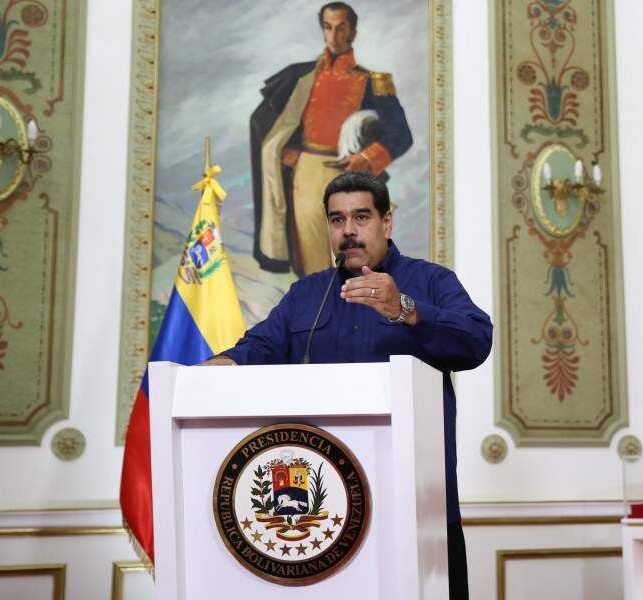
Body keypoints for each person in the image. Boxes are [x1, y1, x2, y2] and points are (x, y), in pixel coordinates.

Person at [206, 172, 492, 599]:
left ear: (387, 222)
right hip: (324, 516)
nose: (349, 231)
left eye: (361, 217)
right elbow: (258, 347)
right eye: (337, 220)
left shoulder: (431, 282)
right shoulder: (307, 295)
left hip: (418, 506)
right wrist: (211, 369)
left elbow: (476, 340)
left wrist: (406, 309)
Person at [250, 1, 413, 277]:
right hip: (307, 174)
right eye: (328, 28)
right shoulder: (300, 77)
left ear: (353, 33)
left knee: (354, 258)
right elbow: (262, 121)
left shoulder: (373, 82)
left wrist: (366, 159)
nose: (334, 35)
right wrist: (283, 150)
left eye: (341, 28)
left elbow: (401, 134)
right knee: (312, 262)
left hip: (351, 177)